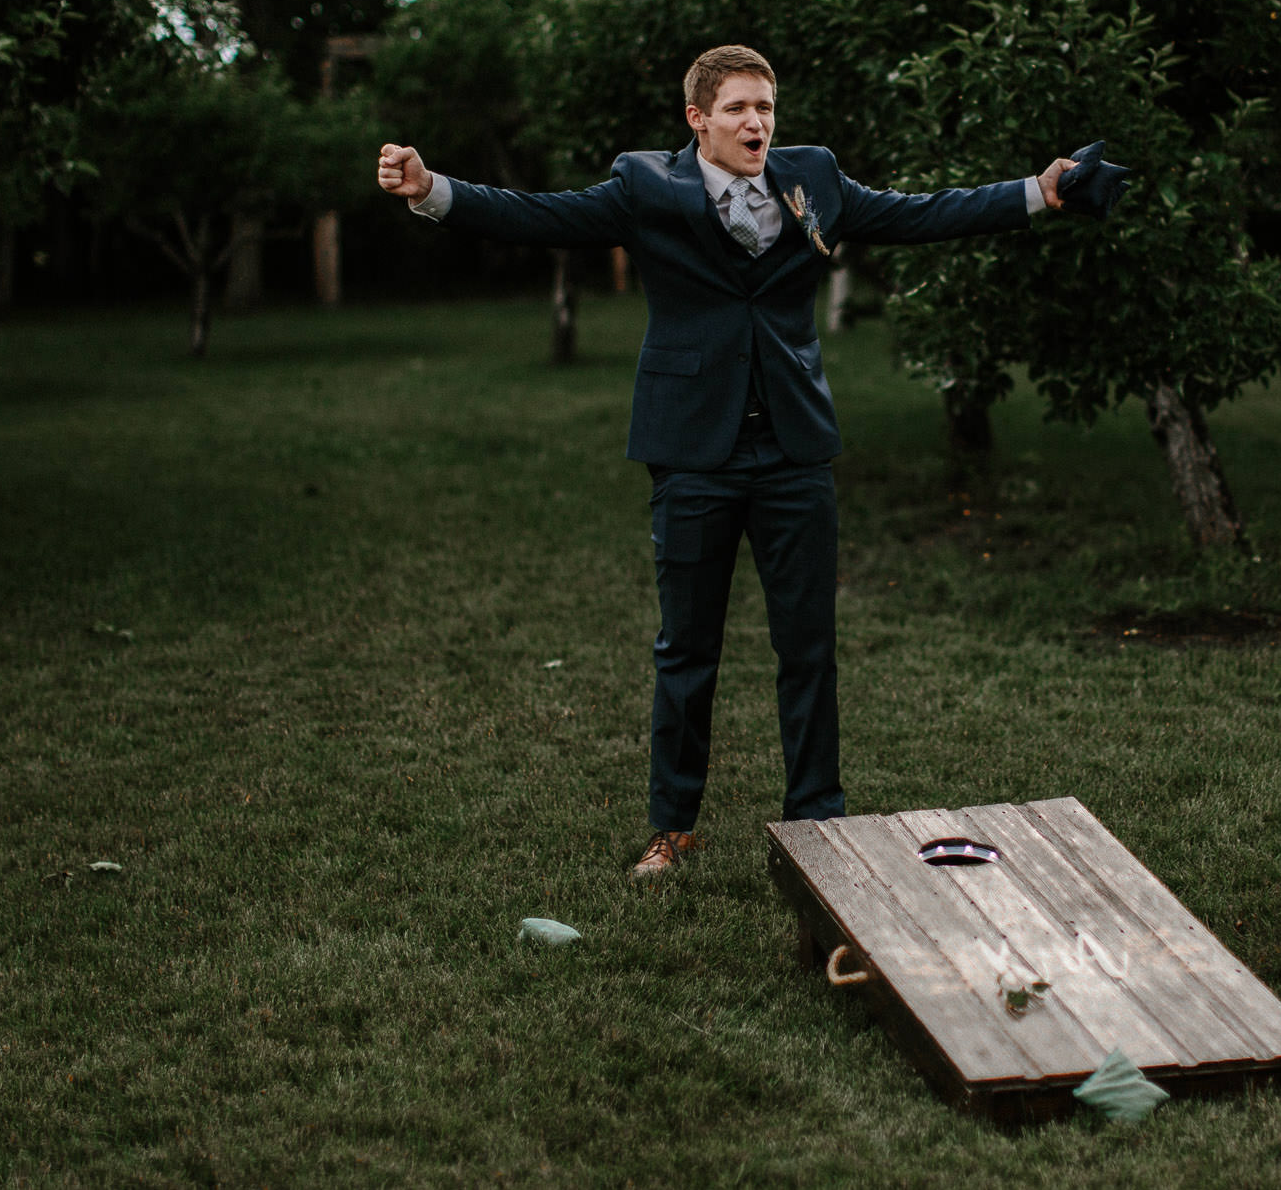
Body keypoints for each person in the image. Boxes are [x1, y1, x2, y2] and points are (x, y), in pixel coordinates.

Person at [377, 44, 1076, 881]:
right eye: (740, 108)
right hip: (691, 452)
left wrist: (1039, 192)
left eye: (766, 108)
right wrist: (431, 191)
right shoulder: (645, 186)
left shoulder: (813, 176)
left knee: (808, 648)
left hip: (793, 449)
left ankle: (820, 826)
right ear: (697, 118)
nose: (757, 123)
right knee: (686, 650)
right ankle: (672, 827)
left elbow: (920, 212)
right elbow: (542, 215)